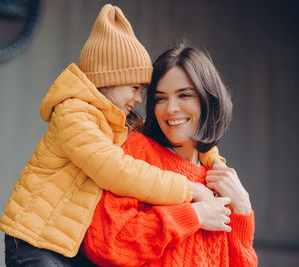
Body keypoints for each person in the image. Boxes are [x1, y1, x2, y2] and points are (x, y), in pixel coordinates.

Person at [0, 5, 224, 267]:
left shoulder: (119, 121)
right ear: (110, 79)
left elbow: (168, 137)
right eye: (134, 87)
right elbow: (116, 170)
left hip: (73, 248)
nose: (139, 99)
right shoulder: (73, 114)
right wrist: (189, 190)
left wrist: (212, 159)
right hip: (35, 241)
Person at [83, 43, 258, 266]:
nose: (170, 108)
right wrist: (193, 216)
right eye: (160, 98)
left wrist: (243, 209)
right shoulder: (136, 153)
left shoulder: (218, 177)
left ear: (208, 99)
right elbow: (105, 243)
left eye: (184, 95)